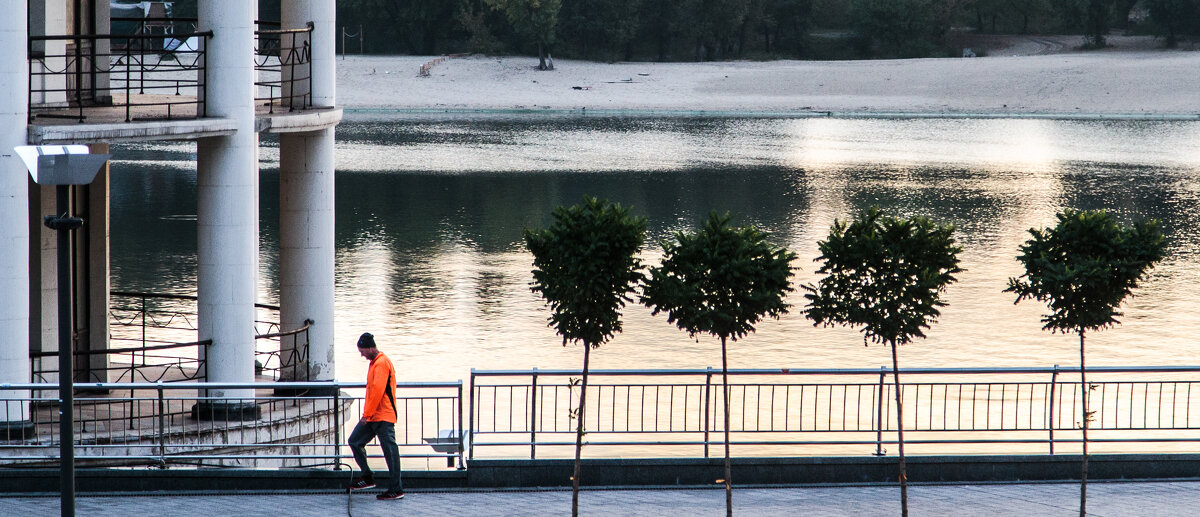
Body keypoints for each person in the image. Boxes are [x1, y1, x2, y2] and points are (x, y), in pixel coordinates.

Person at [347, 332, 404, 500]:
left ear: (371, 347)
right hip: (374, 416)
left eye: (363, 351)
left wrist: (366, 415)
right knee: (355, 441)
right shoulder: (374, 362)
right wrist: (369, 415)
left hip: (383, 416)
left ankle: (396, 489)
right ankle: (367, 476)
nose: (361, 354)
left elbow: (378, 392)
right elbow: (373, 392)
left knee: (390, 452)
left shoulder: (381, 363)